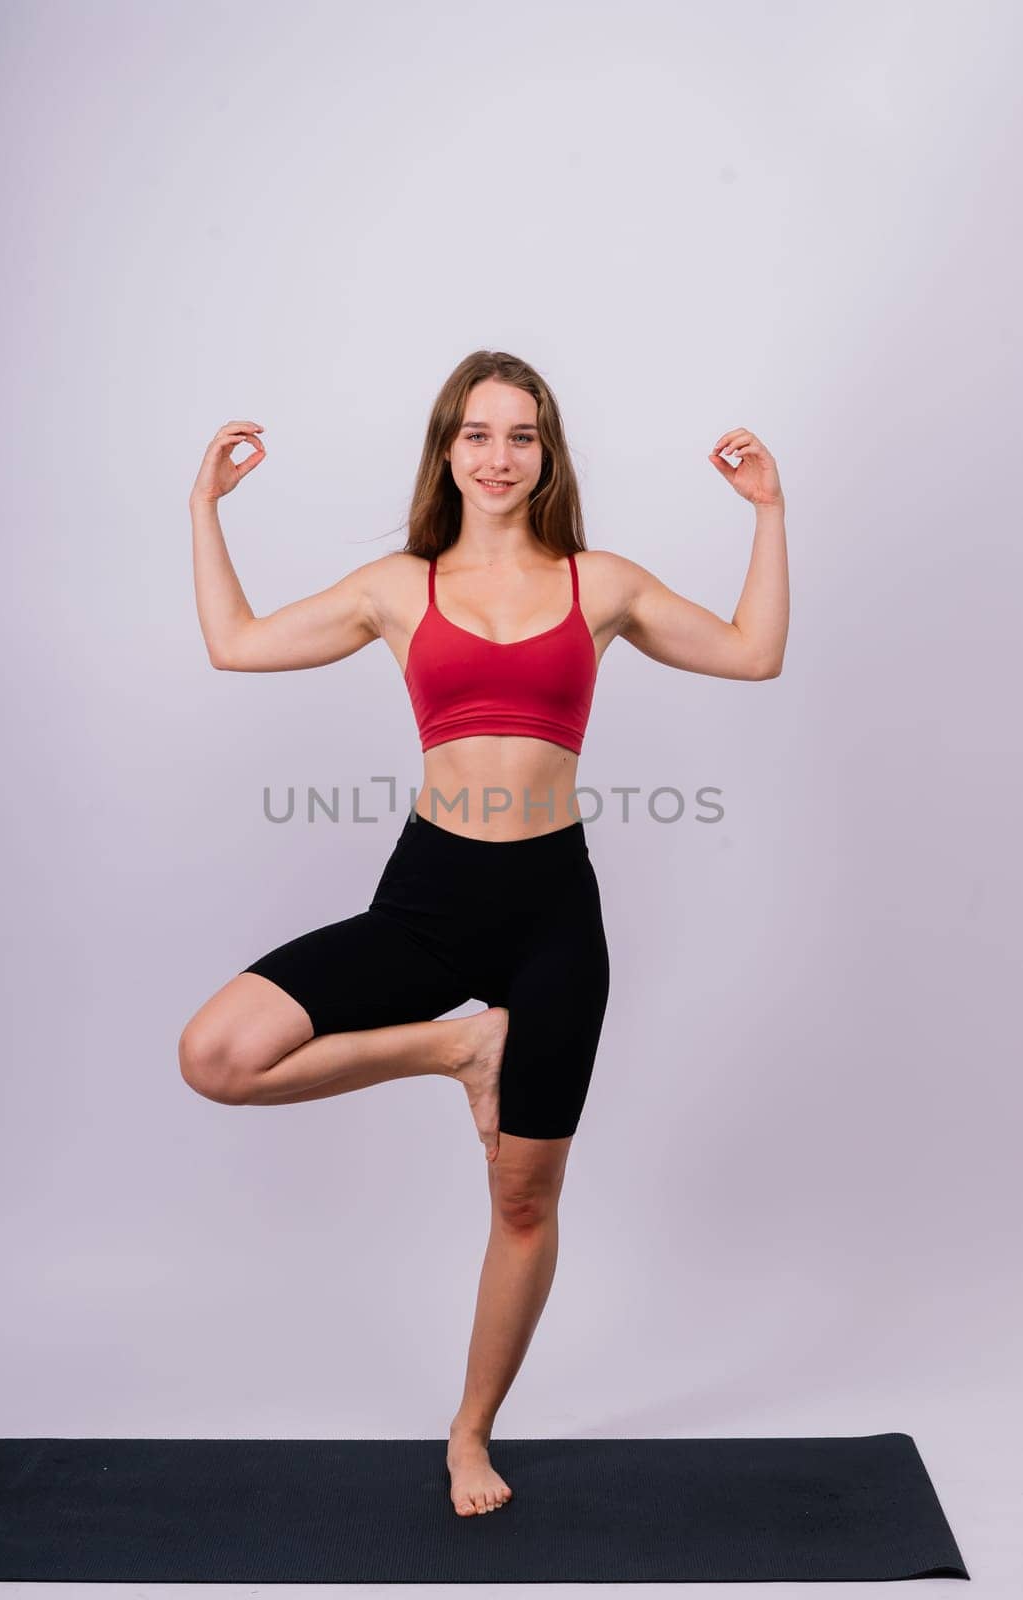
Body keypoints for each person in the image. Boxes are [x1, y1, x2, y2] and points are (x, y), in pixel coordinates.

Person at [178, 349, 789, 1518]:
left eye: (520, 435)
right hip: (428, 899)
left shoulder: (596, 583)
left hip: (554, 911)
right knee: (217, 1055)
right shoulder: (396, 588)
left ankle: (469, 1430)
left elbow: (752, 653)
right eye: (476, 434)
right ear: (445, 450)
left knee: (522, 1200)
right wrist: (203, 509)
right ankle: (458, 1048)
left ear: (546, 453)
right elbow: (237, 641)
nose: (497, 456)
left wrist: (768, 517)